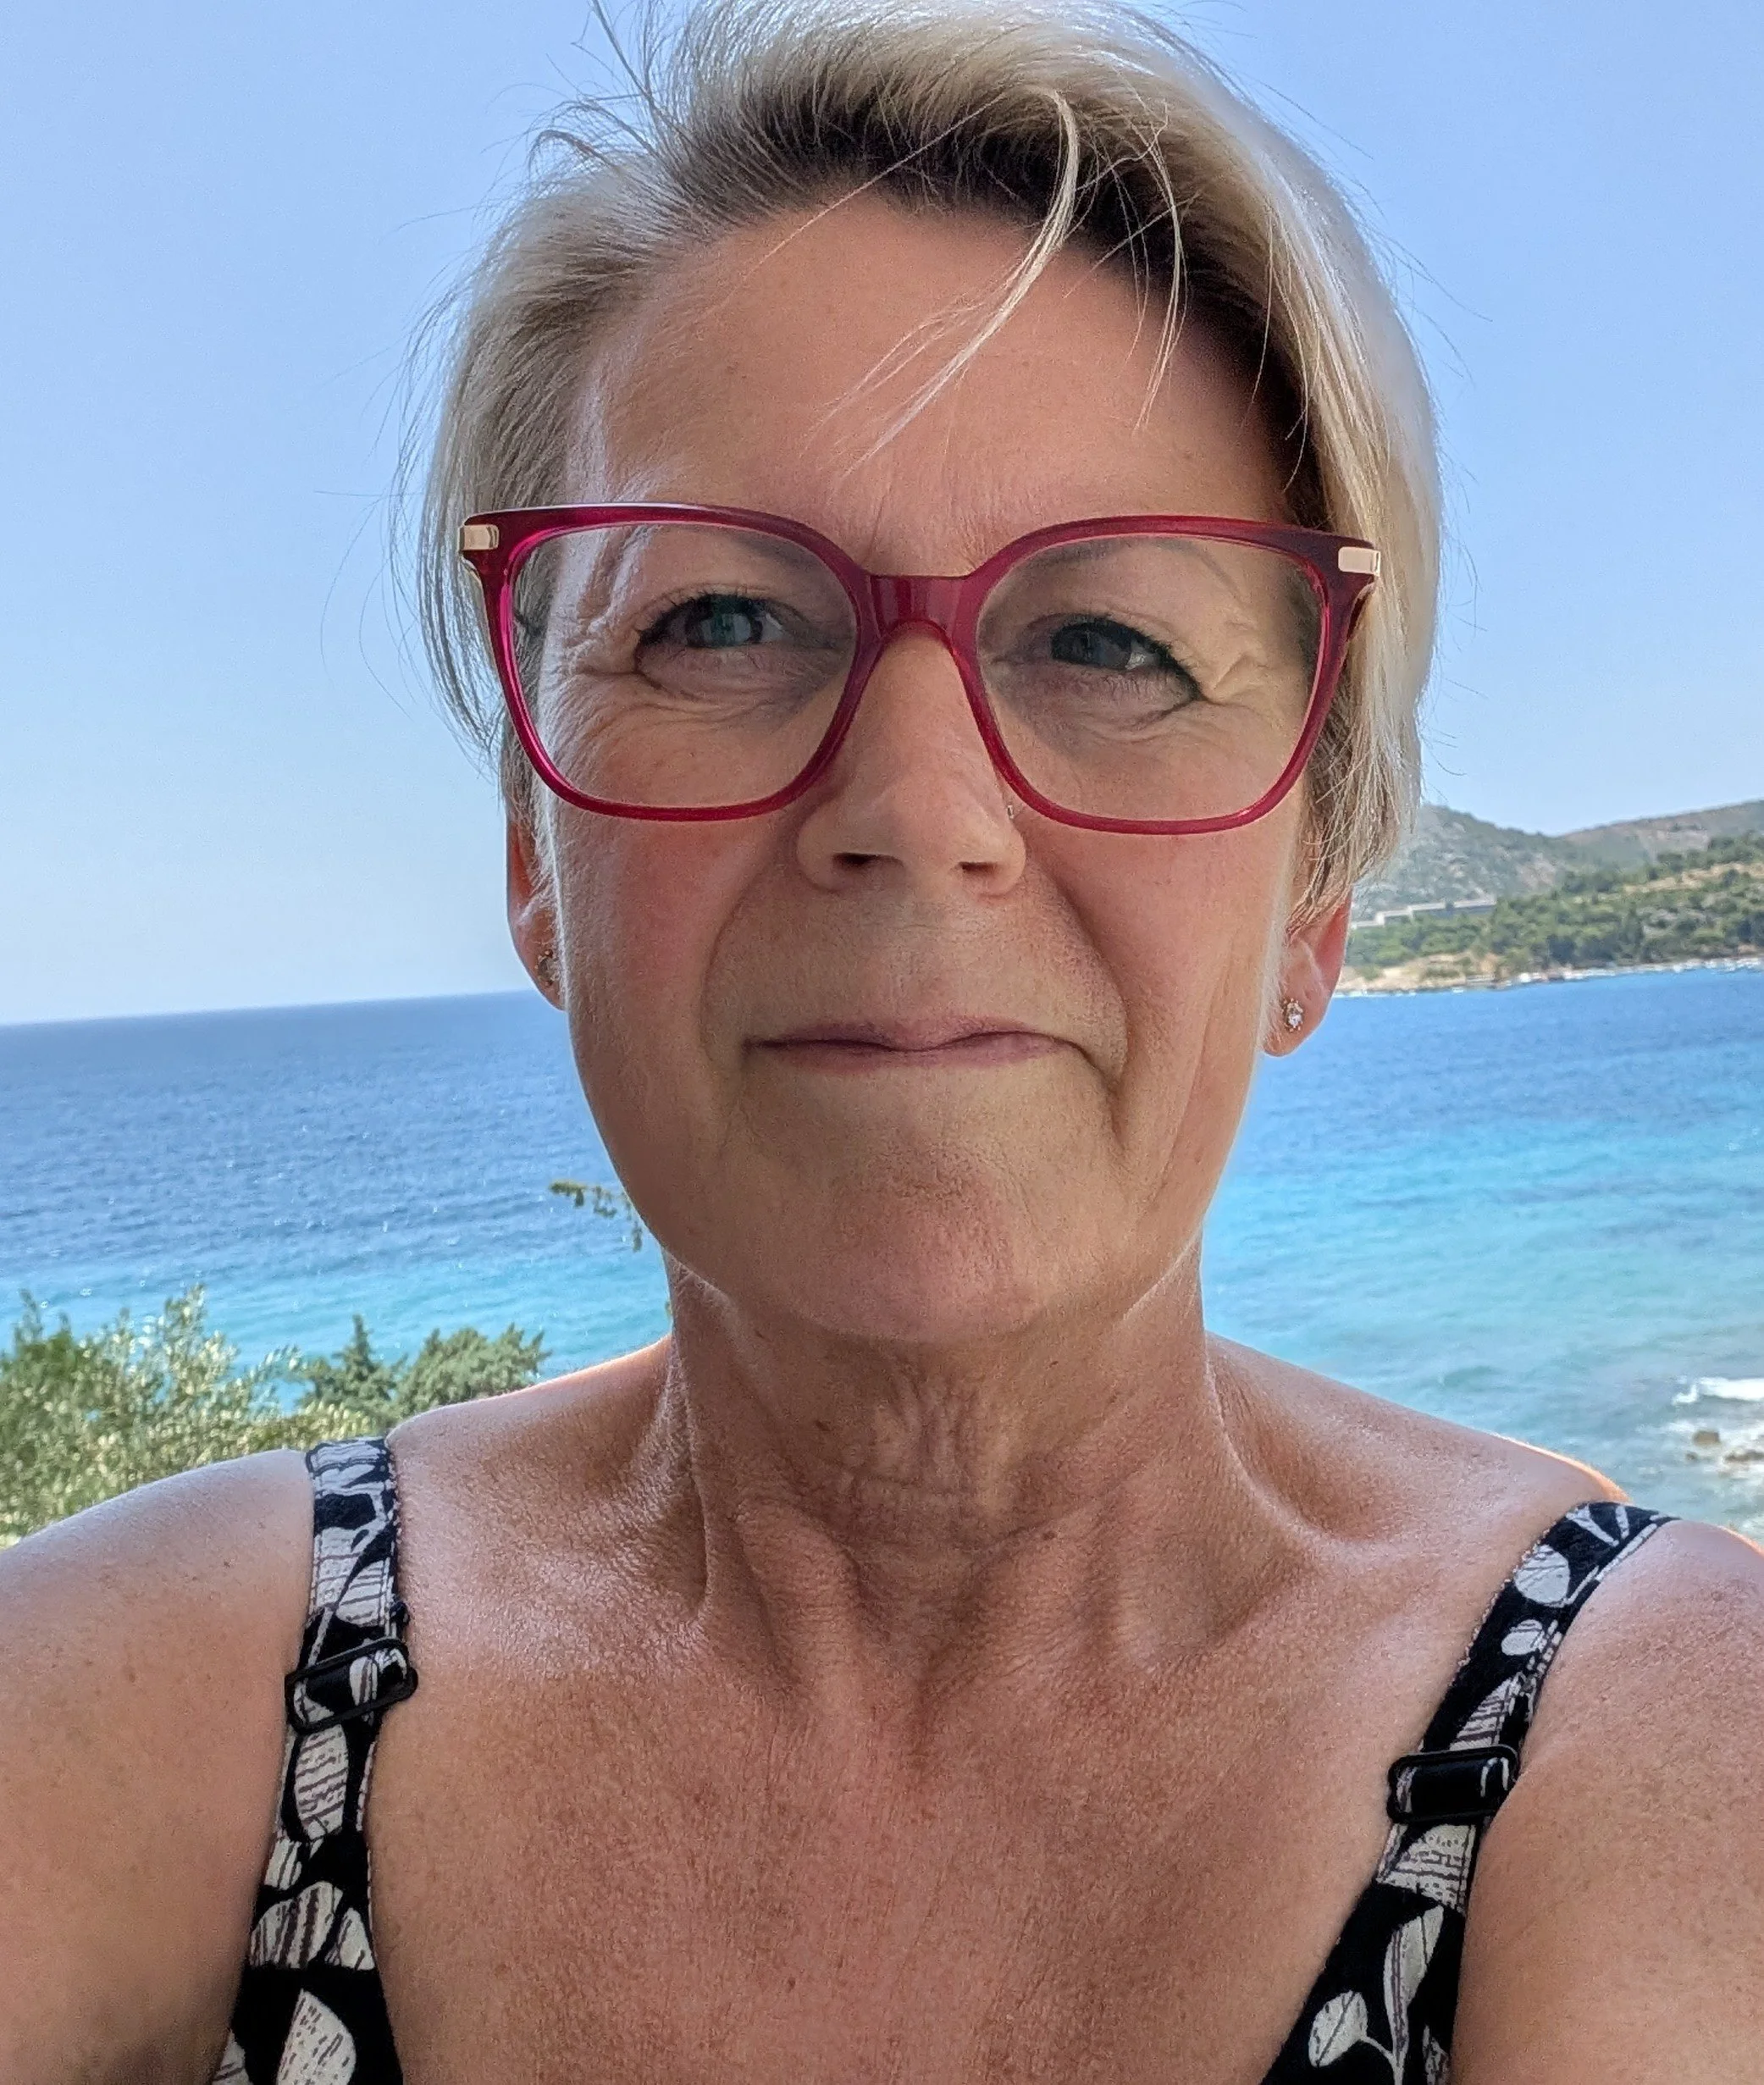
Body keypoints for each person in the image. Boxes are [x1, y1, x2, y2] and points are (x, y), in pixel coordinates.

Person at [3, 1, 1761, 2078]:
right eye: (722, 621)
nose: (918, 810)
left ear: (1313, 901)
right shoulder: (147, 1697)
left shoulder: (1653, 1745)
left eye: (1113, 639)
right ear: (534, 861)